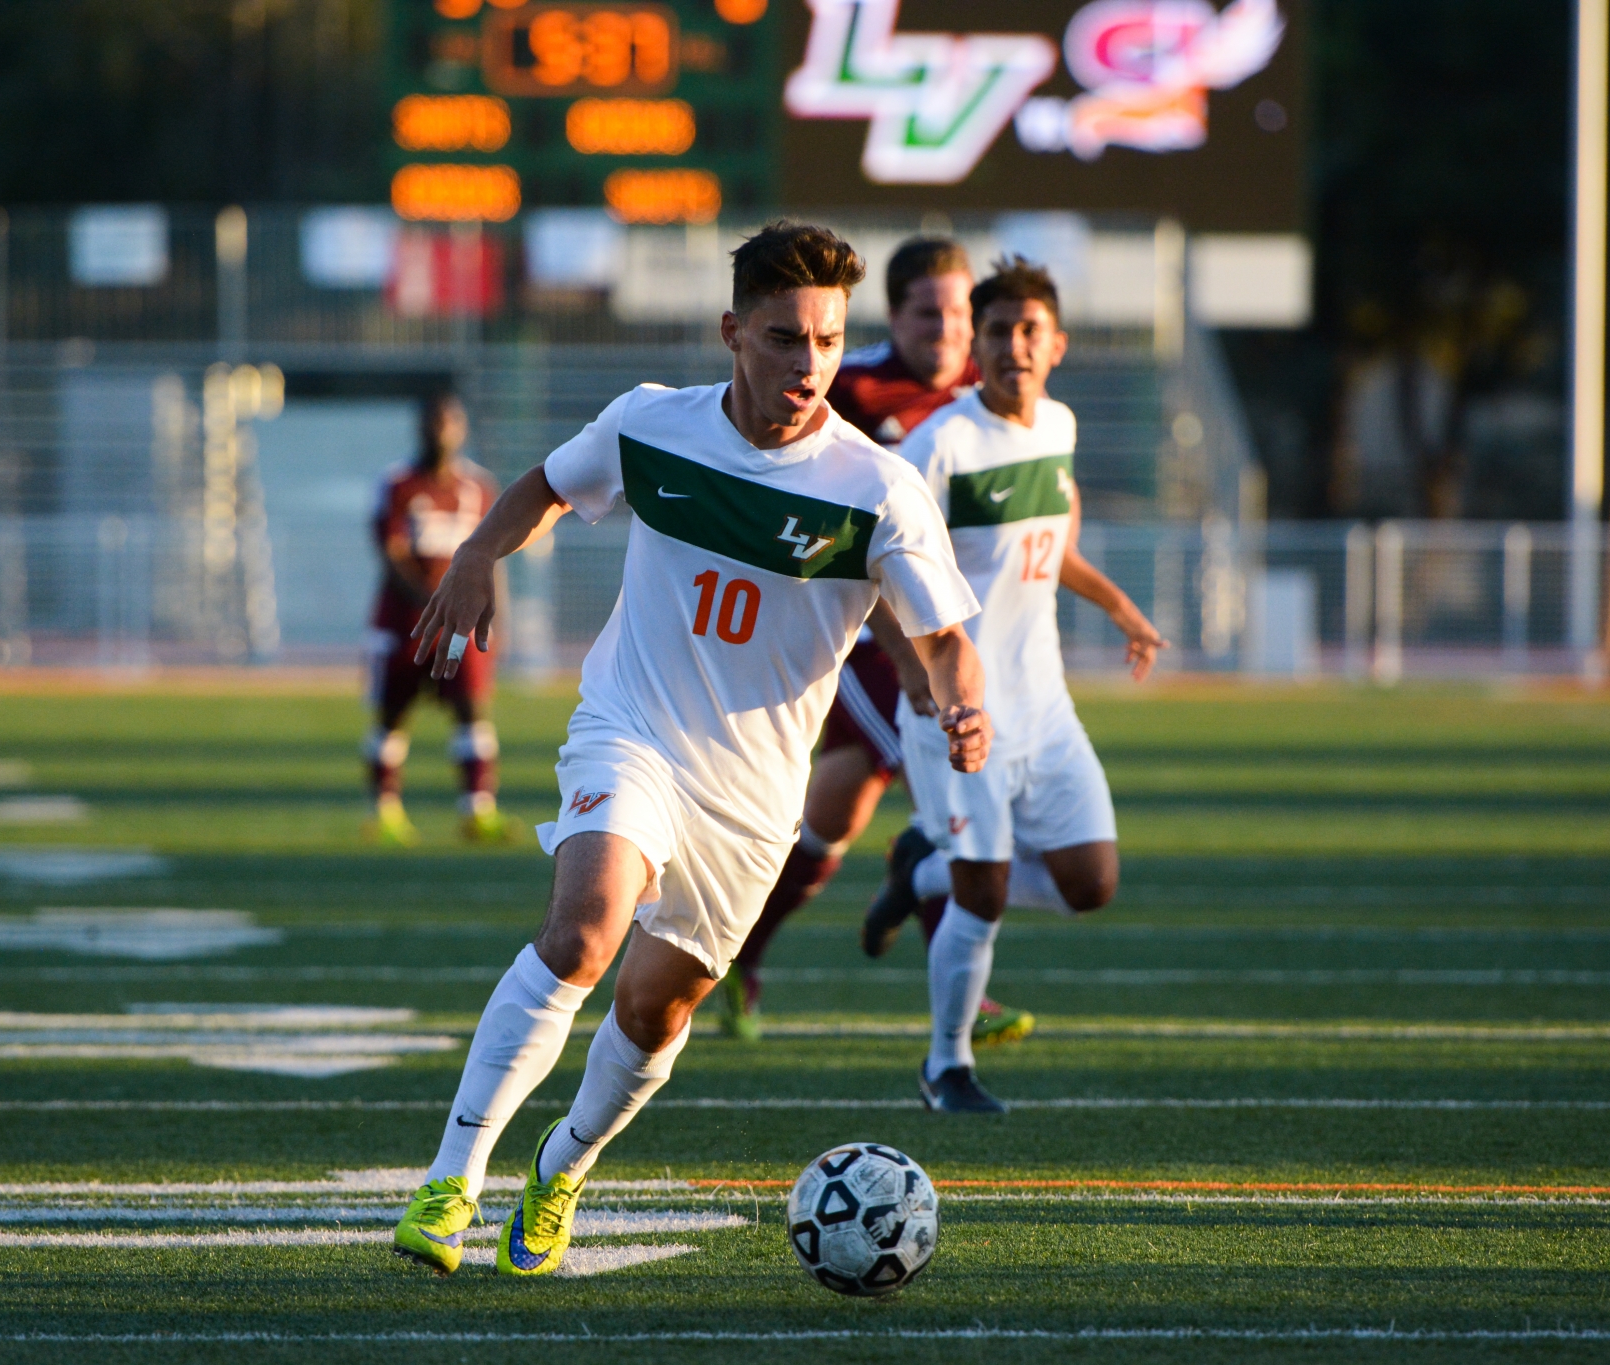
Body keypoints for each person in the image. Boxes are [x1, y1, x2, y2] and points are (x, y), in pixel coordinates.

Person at [390, 221, 990, 1277]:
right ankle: (452, 1179)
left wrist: (962, 705)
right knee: (583, 931)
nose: (808, 364)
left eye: (826, 341)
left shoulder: (875, 488)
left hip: (752, 797)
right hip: (632, 730)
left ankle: (561, 1168)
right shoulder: (651, 424)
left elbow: (942, 638)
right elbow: (545, 485)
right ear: (731, 332)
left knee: (653, 1006)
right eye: (783, 337)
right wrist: (480, 550)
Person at [718, 237, 1032, 1048]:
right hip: (866, 632)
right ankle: (960, 991)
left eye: (960, 312)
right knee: (941, 791)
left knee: (829, 824)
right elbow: (810, 518)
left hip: (955, 635)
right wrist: (899, 645)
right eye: (929, 312)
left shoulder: (989, 394)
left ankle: (735, 953)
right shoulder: (846, 386)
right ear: (893, 315)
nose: (947, 328)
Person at [883, 257, 1168, 1114]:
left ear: (1058, 344)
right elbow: (874, 577)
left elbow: (1050, 549)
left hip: (1044, 706)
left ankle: (922, 870)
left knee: (1091, 883)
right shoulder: (939, 446)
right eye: (999, 329)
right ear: (977, 345)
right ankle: (947, 1065)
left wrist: (1120, 606)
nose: (1015, 344)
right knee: (984, 896)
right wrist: (918, 678)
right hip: (963, 713)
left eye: (1030, 329)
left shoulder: (1059, 427)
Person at [362, 391, 521, 846]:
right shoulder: (397, 484)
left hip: (460, 627)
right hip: (404, 623)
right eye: (435, 421)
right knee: (393, 715)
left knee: (472, 710)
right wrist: (433, 601)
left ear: (462, 428)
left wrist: (497, 616)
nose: (442, 430)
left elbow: (493, 557)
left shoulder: (479, 487)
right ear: (421, 426)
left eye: (450, 421)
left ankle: (477, 810)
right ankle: (386, 812)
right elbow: (390, 554)